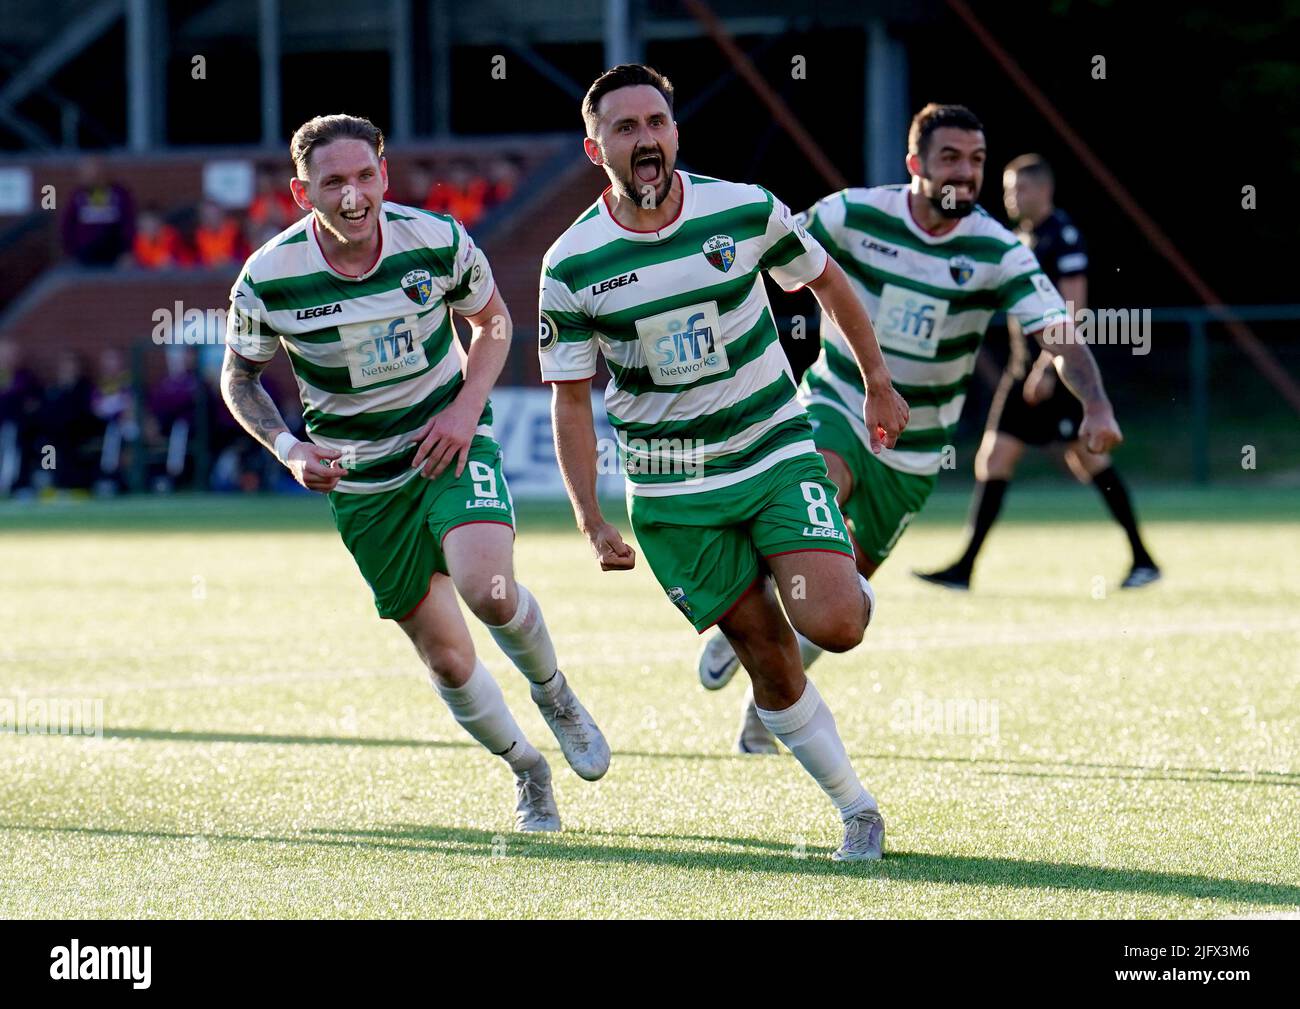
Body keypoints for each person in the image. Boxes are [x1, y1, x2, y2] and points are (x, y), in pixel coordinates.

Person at [542, 65, 909, 861]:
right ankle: (857, 810)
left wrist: (877, 381)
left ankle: (820, 569)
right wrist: (589, 514)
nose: (645, 139)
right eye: (625, 128)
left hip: (773, 449)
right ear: (594, 145)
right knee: (769, 657)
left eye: (656, 123)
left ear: (675, 132)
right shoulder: (571, 264)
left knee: (837, 624)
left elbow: (826, 282)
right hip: (674, 488)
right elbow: (571, 398)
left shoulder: (744, 208)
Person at [695, 104, 1125, 755]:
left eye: (978, 160)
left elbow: (1059, 333)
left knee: (839, 600)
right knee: (815, 500)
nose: (967, 172)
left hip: (918, 450)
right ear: (916, 164)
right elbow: (771, 248)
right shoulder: (853, 213)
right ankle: (742, 619)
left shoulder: (997, 249)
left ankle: (772, 696)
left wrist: (1095, 403)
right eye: (951, 157)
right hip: (839, 402)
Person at [220, 113, 609, 832]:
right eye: (333, 182)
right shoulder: (268, 276)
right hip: (362, 481)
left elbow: (492, 324)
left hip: (448, 443)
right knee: (450, 662)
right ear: (303, 194)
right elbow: (240, 379)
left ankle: (554, 693)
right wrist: (289, 447)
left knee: (487, 588)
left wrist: (465, 409)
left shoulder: (436, 239)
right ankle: (528, 769)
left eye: (365, 176)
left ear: (385, 176)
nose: (353, 195)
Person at [915, 154, 1159, 590]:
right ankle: (963, 569)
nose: (1011, 196)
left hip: (1055, 370)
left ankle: (1144, 560)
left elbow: (1074, 311)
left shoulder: (1061, 237)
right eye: (1008, 188)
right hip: (1021, 368)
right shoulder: (1020, 237)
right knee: (994, 459)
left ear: (1043, 190)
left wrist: (1048, 367)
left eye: (1019, 188)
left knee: (1087, 458)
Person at [61, 158, 135, 266]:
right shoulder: (77, 196)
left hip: (114, 255)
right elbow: (67, 224)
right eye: (86, 172)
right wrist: (70, 251)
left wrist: (127, 251)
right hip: (84, 256)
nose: (90, 176)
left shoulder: (119, 194)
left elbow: (128, 223)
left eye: (93, 172)